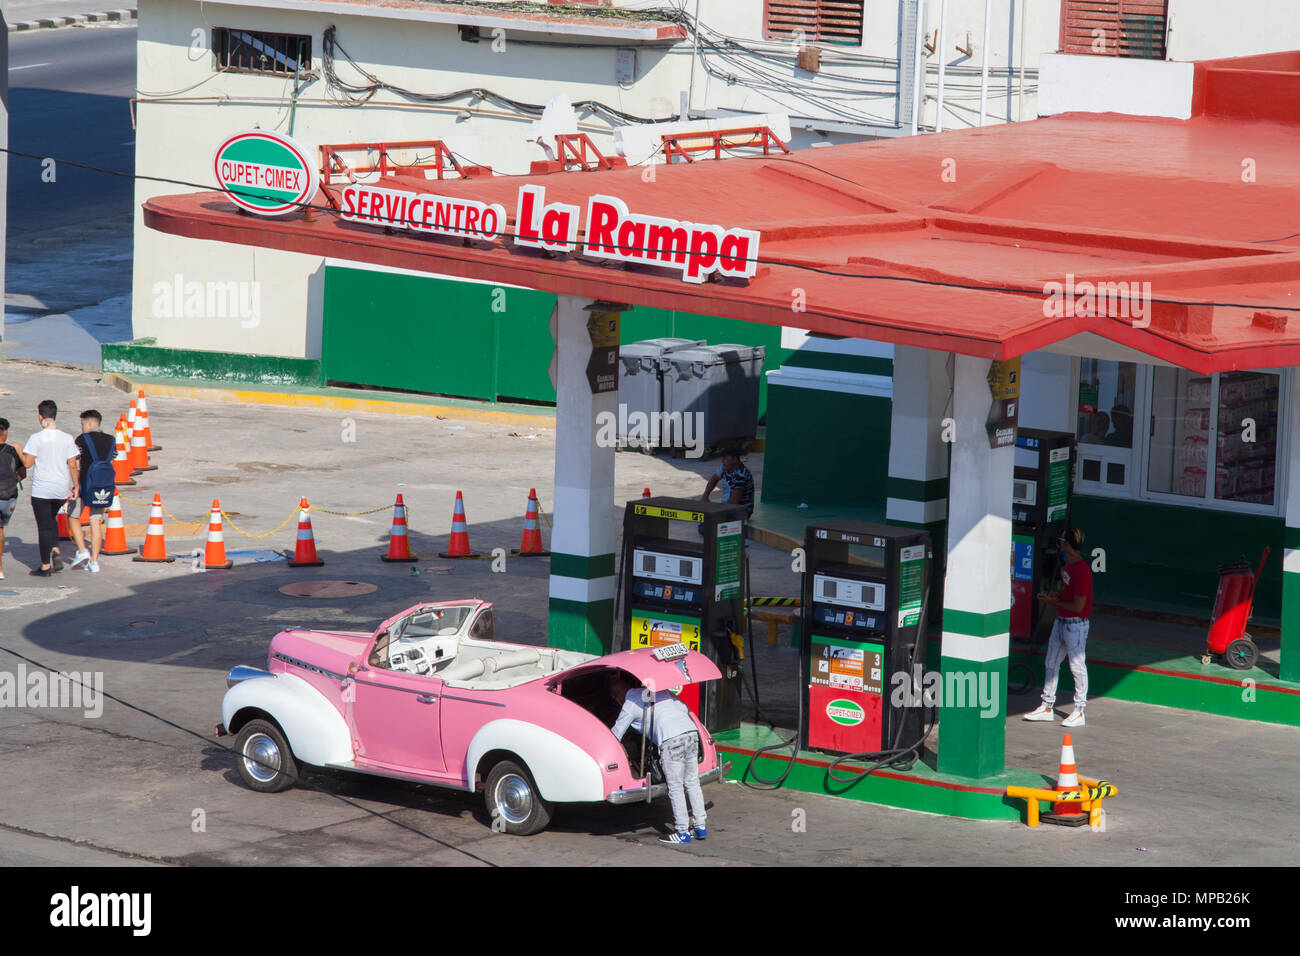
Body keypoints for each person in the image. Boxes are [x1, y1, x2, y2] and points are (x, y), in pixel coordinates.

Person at [609, 676, 707, 845]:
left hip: (671, 740)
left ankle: (682, 831)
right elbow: (682, 708)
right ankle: (700, 827)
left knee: (675, 787)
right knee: (692, 782)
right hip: (691, 734)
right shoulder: (659, 690)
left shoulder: (630, 702)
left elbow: (615, 734)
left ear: (617, 698)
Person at [1024, 526, 1093, 728]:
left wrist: (1052, 603)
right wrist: (1055, 596)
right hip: (1061, 621)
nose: (1059, 544)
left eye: (1062, 541)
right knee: (1051, 662)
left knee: (1077, 666)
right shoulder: (1069, 566)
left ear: (1068, 544)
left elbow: (1078, 606)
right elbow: (1068, 595)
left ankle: (1079, 711)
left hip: (1076, 625)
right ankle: (1047, 706)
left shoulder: (1082, 571)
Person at [20, 400, 79, 578]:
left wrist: (18, 452)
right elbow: (72, 464)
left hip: (41, 490)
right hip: (61, 489)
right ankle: (54, 548)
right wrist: (76, 486)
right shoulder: (67, 438)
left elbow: (28, 464)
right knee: (52, 518)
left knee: (44, 527)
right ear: (56, 416)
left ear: (40, 416)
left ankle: (45, 566)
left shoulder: (36, 438)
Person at [66, 410, 116, 574]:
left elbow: (74, 459)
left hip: (84, 484)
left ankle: (82, 550)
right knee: (96, 523)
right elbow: (113, 456)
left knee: (73, 516)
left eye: (82, 424)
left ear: (88, 423)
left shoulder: (82, 439)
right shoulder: (111, 440)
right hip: (103, 485)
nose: (82, 427)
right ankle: (94, 562)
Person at [0, 417, 29, 580]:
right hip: (9, 496)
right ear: (5, 432)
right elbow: (22, 474)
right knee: (1, 528)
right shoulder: (12, 450)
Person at [701, 446, 754, 517]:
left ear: (734, 459)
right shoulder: (725, 467)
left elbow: (734, 502)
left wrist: (717, 511)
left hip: (742, 511)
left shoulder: (741, 475)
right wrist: (705, 496)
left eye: (725, 458)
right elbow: (714, 479)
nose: (722, 461)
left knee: (707, 522)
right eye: (722, 458)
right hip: (728, 507)